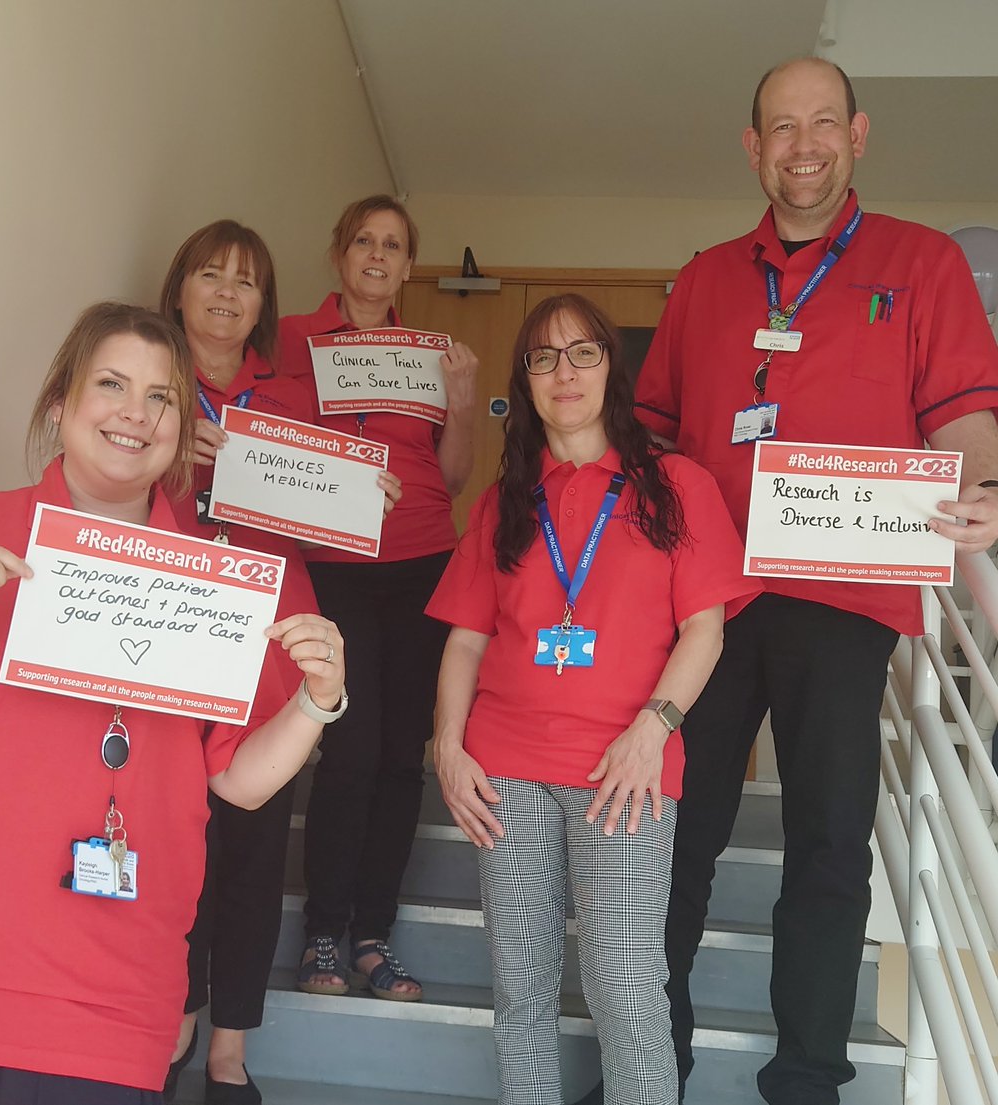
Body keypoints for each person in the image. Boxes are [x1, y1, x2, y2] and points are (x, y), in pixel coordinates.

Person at [0, 302, 347, 1105]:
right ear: (60, 403)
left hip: (104, 1004)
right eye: (112, 385)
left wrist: (315, 700)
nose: (136, 413)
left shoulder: (215, 577)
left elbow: (242, 782)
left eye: (162, 397)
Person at [634, 57, 998, 1105]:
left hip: (846, 598)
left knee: (831, 846)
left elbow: (968, 425)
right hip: (705, 604)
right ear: (753, 148)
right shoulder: (704, 277)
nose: (803, 145)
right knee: (670, 840)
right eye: (781, 128)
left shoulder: (920, 263)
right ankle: (647, 1058)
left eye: (823, 124)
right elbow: (652, 434)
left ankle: (806, 1081)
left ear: (859, 134)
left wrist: (989, 493)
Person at [428, 294, 758, 1105]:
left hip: (627, 766)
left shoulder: (676, 483)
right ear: (527, 382)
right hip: (505, 769)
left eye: (582, 353)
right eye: (543, 358)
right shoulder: (506, 499)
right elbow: (466, 638)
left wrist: (656, 728)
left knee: (624, 979)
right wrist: (447, 744)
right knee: (522, 984)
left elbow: (705, 631)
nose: (564, 372)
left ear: (613, 368)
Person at [158, 220, 341, 1105]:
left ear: (265, 303)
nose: (228, 293)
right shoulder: (147, 379)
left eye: (247, 281)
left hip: (273, 640)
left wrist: (356, 493)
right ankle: (176, 1018)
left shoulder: (293, 393)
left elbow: (319, 514)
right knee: (172, 838)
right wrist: (172, 460)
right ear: (180, 288)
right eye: (210, 274)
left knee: (256, 846)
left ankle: (228, 1048)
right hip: (165, 631)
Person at [278, 194, 478, 1000]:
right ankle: (323, 930)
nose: (376, 255)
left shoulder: (434, 354)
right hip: (335, 559)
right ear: (339, 252)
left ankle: (372, 934)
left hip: (426, 558)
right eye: (363, 240)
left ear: (405, 265)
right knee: (352, 750)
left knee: (403, 758)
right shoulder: (292, 338)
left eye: (393, 246)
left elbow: (456, 474)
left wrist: (460, 404)